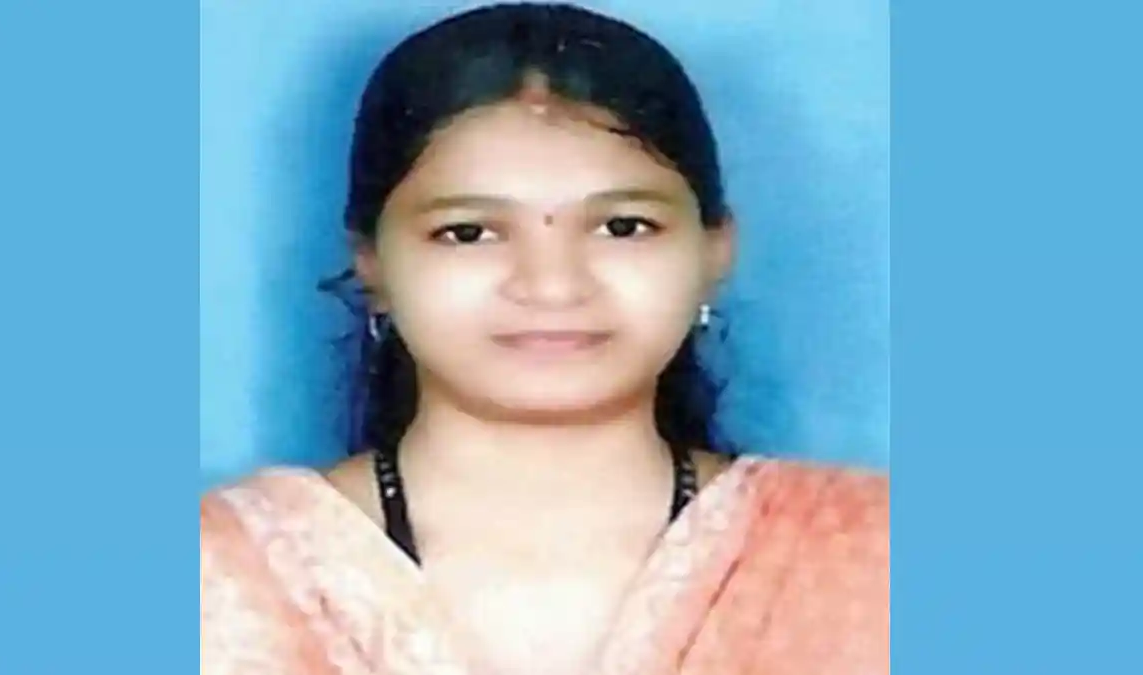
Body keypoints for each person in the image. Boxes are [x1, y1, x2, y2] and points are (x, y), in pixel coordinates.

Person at [200, 3, 889, 674]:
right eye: (469, 232)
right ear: (371, 263)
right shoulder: (221, 572)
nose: (552, 285)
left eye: (623, 227)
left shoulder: (874, 554)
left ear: (716, 250)